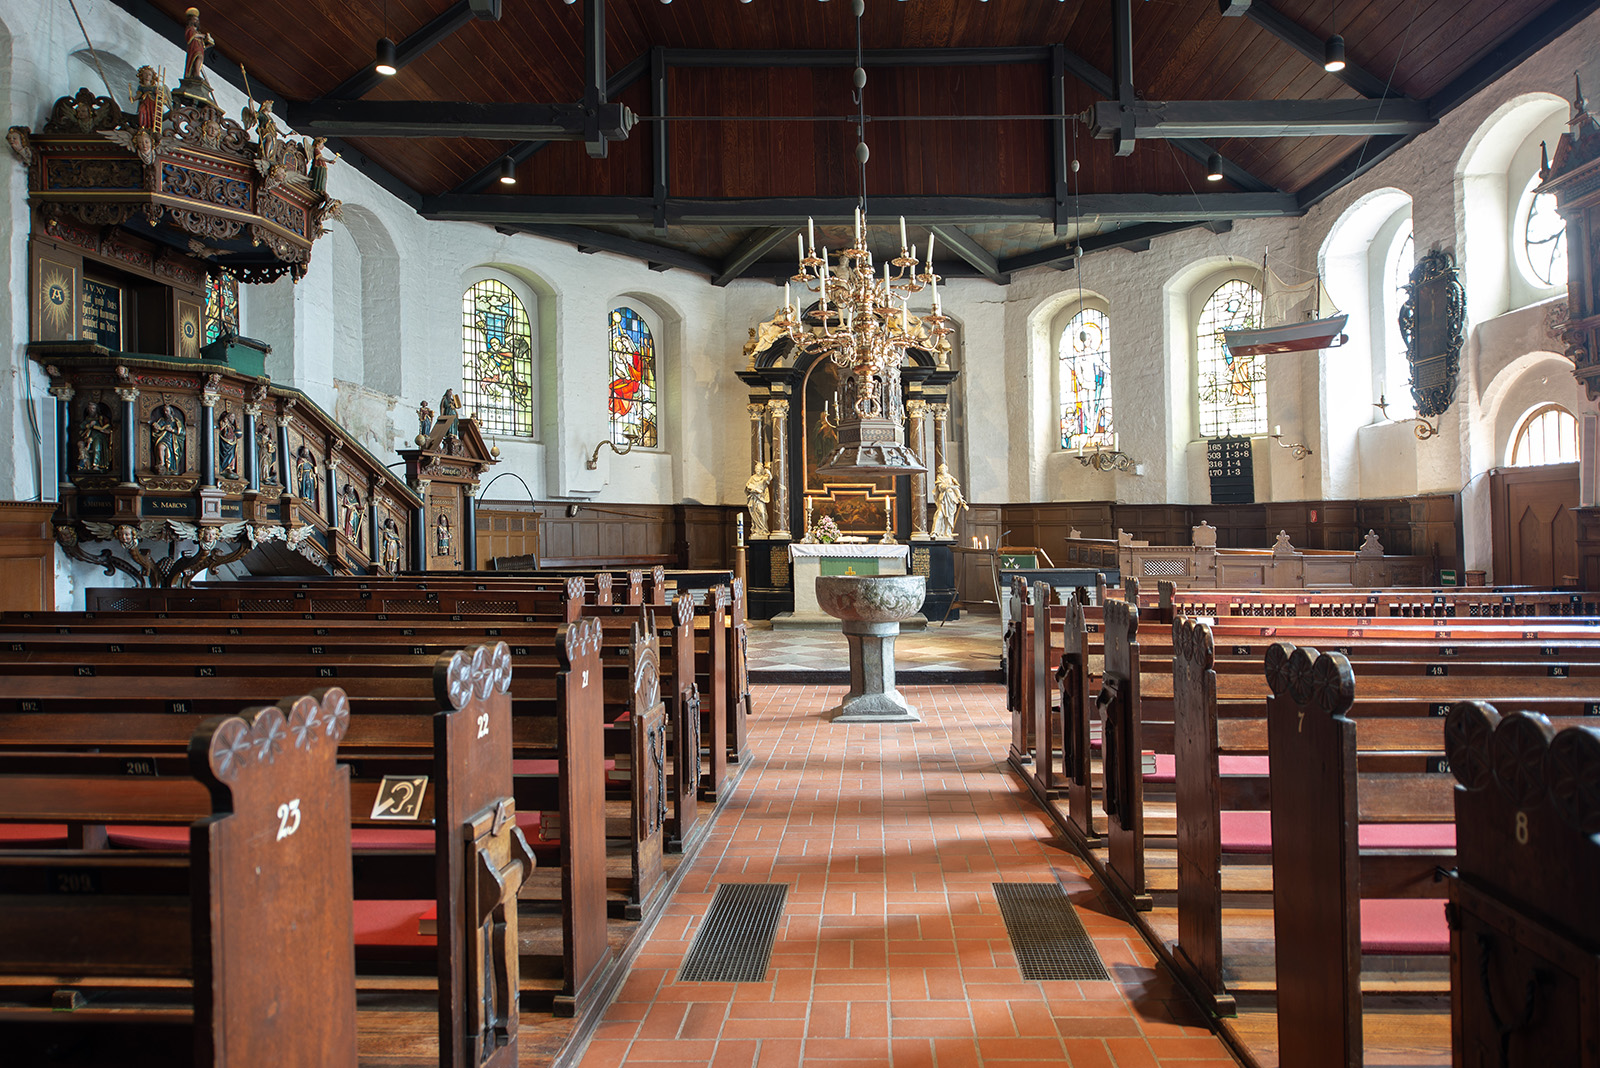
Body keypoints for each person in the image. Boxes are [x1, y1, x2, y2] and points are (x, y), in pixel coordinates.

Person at [931, 462, 967, 540]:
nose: (942, 470)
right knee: (939, 515)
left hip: (951, 498)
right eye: (941, 469)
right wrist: (950, 486)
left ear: (946, 470)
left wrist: (960, 498)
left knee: (949, 517)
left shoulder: (950, 477)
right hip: (943, 498)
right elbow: (941, 487)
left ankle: (947, 532)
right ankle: (935, 532)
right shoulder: (939, 477)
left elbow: (956, 488)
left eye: (944, 468)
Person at [150, 403, 186, 476]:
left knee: (172, 454)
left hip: (173, 441)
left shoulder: (176, 422)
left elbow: (182, 432)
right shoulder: (162, 420)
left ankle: (172, 469)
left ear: (171, 412)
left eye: (167, 411)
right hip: (163, 438)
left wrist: (172, 430)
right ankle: (162, 463)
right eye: (164, 411)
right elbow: (157, 430)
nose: (165, 413)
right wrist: (156, 429)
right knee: (161, 447)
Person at [744, 462, 773, 539]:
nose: (757, 470)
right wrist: (752, 489)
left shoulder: (763, 478)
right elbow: (747, 487)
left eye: (759, 469)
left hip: (760, 498)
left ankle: (763, 529)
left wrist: (767, 470)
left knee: (762, 512)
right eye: (756, 469)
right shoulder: (752, 478)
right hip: (753, 498)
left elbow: (769, 477)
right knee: (755, 513)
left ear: (761, 470)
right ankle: (757, 530)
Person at [216, 410, 239, 478]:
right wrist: (225, 423)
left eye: (233, 418)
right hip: (225, 442)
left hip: (232, 443)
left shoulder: (232, 426)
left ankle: (230, 467)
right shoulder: (223, 423)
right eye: (231, 417)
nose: (233, 419)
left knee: (232, 455)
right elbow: (221, 428)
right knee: (226, 454)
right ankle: (225, 468)